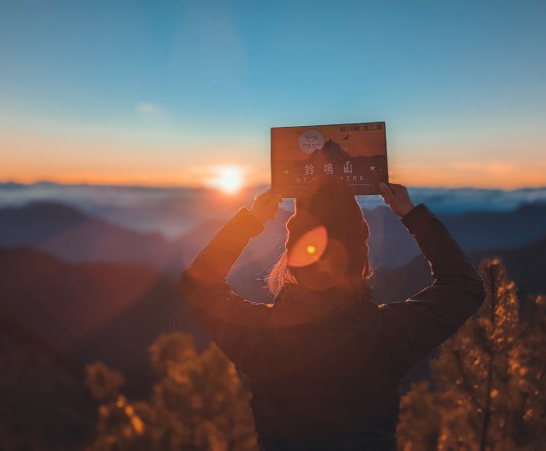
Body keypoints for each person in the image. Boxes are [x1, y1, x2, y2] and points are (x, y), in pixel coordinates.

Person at [180, 176, 485, 450]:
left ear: (291, 257)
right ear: (360, 260)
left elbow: (198, 286)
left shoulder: (260, 336)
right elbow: (464, 286)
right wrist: (412, 216)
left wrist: (251, 221)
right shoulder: (387, 335)